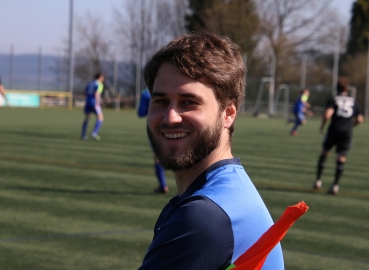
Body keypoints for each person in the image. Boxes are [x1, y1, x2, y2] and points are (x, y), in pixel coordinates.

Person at [138, 32, 284, 269]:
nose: (170, 117)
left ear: (228, 114)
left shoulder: (205, 216)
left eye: (189, 102)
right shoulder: (226, 193)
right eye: (161, 101)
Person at [313, 78, 363, 194]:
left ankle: (318, 181)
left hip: (334, 130)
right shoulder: (354, 101)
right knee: (341, 158)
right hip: (347, 132)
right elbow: (360, 119)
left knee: (325, 153)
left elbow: (327, 114)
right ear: (347, 89)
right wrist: (351, 126)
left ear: (337, 88)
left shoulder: (333, 99)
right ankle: (335, 185)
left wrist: (322, 126)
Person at [138, 88, 169, 194]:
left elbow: (141, 113)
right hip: (176, 128)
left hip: (156, 129)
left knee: (158, 158)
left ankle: (163, 185)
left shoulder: (146, 94)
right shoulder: (172, 87)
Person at [81, 72, 105, 141]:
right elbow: (96, 93)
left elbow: (85, 92)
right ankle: (94, 132)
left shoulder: (90, 83)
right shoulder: (99, 84)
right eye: (102, 78)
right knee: (100, 118)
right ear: (100, 77)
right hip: (94, 102)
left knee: (86, 119)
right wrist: (97, 103)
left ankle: (83, 135)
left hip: (88, 102)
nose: (103, 79)